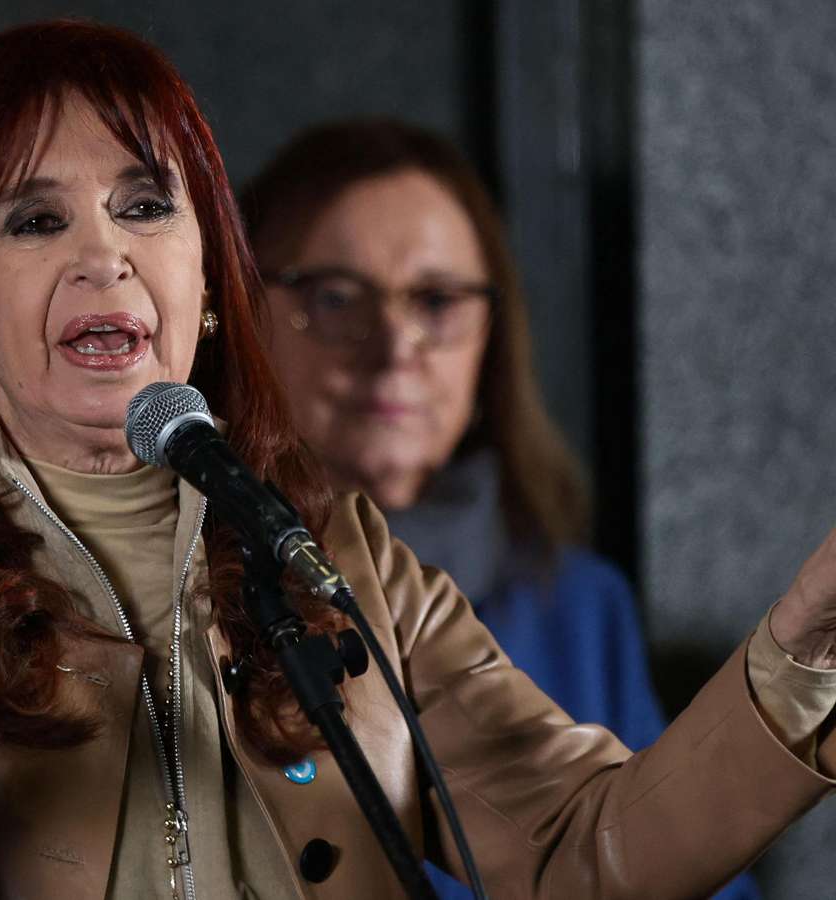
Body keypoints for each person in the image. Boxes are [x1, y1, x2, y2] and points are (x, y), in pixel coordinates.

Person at [0, 20, 836, 900]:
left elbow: (585, 844)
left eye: (145, 206)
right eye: (35, 220)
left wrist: (800, 663)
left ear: (208, 287)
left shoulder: (332, 547)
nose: (104, 254)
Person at [239, 120, 762, 896]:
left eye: (437, 301)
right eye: (336, 297)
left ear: (492, 336)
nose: (396, 348)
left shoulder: (581, 606)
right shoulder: (196, 601)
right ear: (242, 313)